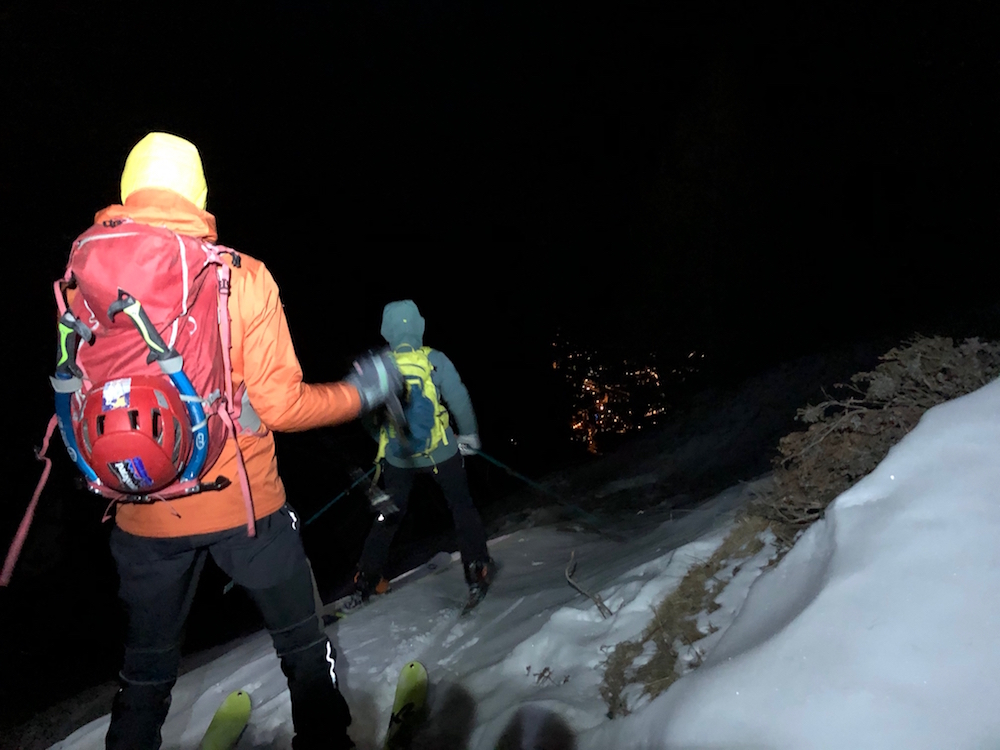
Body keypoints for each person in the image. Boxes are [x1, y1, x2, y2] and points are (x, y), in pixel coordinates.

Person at [74, 132, 401, 750]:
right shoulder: (239, 274)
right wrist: (363, 391)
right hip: (245, 508)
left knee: (144, 680)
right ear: (197, 192)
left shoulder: (78, 280)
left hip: (139, 513)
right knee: (306, 652)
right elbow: (282, 405)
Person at [347, 299, 497, 611]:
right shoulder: (434, 359)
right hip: (440, 451)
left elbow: (364, 413)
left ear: (386, 331)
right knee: (461, 506)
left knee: (388, 514)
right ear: (420, 327)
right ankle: (476, 567)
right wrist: (468, 437)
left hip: (399, 459)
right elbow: (459, 398)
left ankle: (366, 579)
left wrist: (384, 441)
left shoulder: (380, 367)